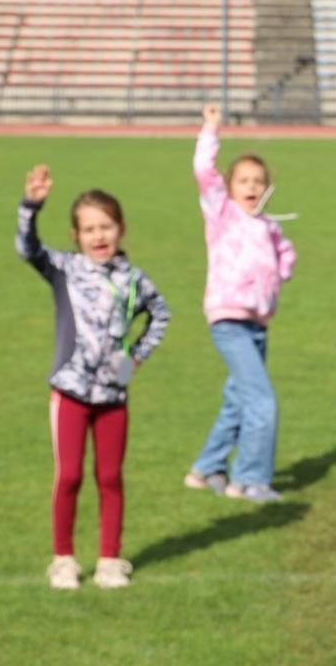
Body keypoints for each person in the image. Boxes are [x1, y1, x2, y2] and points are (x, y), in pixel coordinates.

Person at [16, 167, 171, 590]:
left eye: (106, 226)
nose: (99, 236)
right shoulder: (64, 270)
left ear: (121, 229)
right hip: (69, 392)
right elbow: (27, 249)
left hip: (113, 397)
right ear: (76, 234)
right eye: (89, 229)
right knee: (69, 476)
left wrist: (134, 359)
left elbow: (161, 314)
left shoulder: (133, 279)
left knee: (110, 477)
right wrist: (31, 206)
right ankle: (63, 558)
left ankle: (110, 559)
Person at [184, 104, 297, 503]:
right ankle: (249, 480)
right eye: (243, 180)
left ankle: (207, 468)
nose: (250, 187)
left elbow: (285, 252)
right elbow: (203, 170)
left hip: (258, 323)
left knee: (238, 399)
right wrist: (211, 128)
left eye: (258, 182)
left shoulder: (269, 225)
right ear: (229, 187)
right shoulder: (222, 213)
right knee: (262, 402)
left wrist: (282, 270)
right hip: (229, 319)